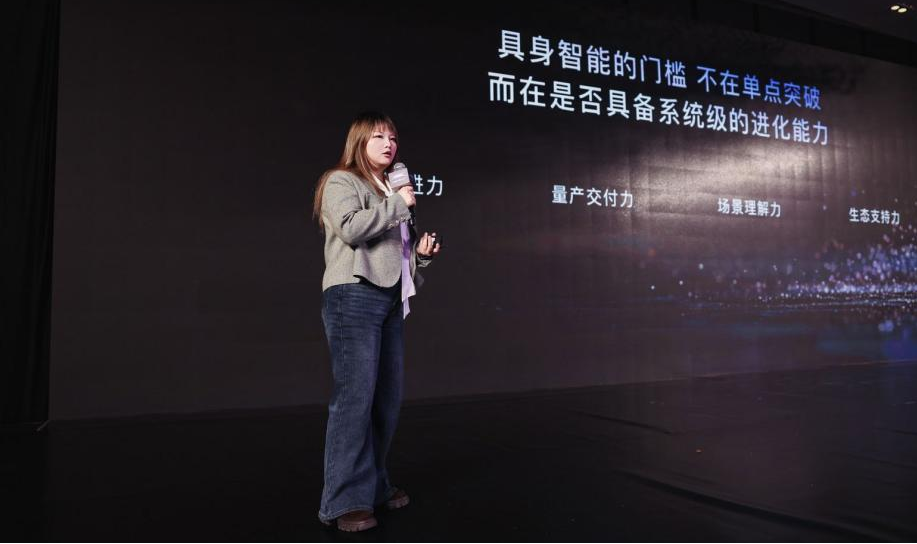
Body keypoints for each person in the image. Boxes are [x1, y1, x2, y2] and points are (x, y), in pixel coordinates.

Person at [312, 111, 441, 532]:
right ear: (359, 142)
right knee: (355, 399)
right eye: (379, 137)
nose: (389, 144)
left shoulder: (391, 189)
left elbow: (393, 256)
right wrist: (398, 203)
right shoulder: (341, 181)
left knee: (386, 399)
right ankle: (344, 500)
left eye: (393, 138)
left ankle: (373, 486)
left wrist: (420, 256)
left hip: (389, 299)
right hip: (353, 295)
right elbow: (351, 229)